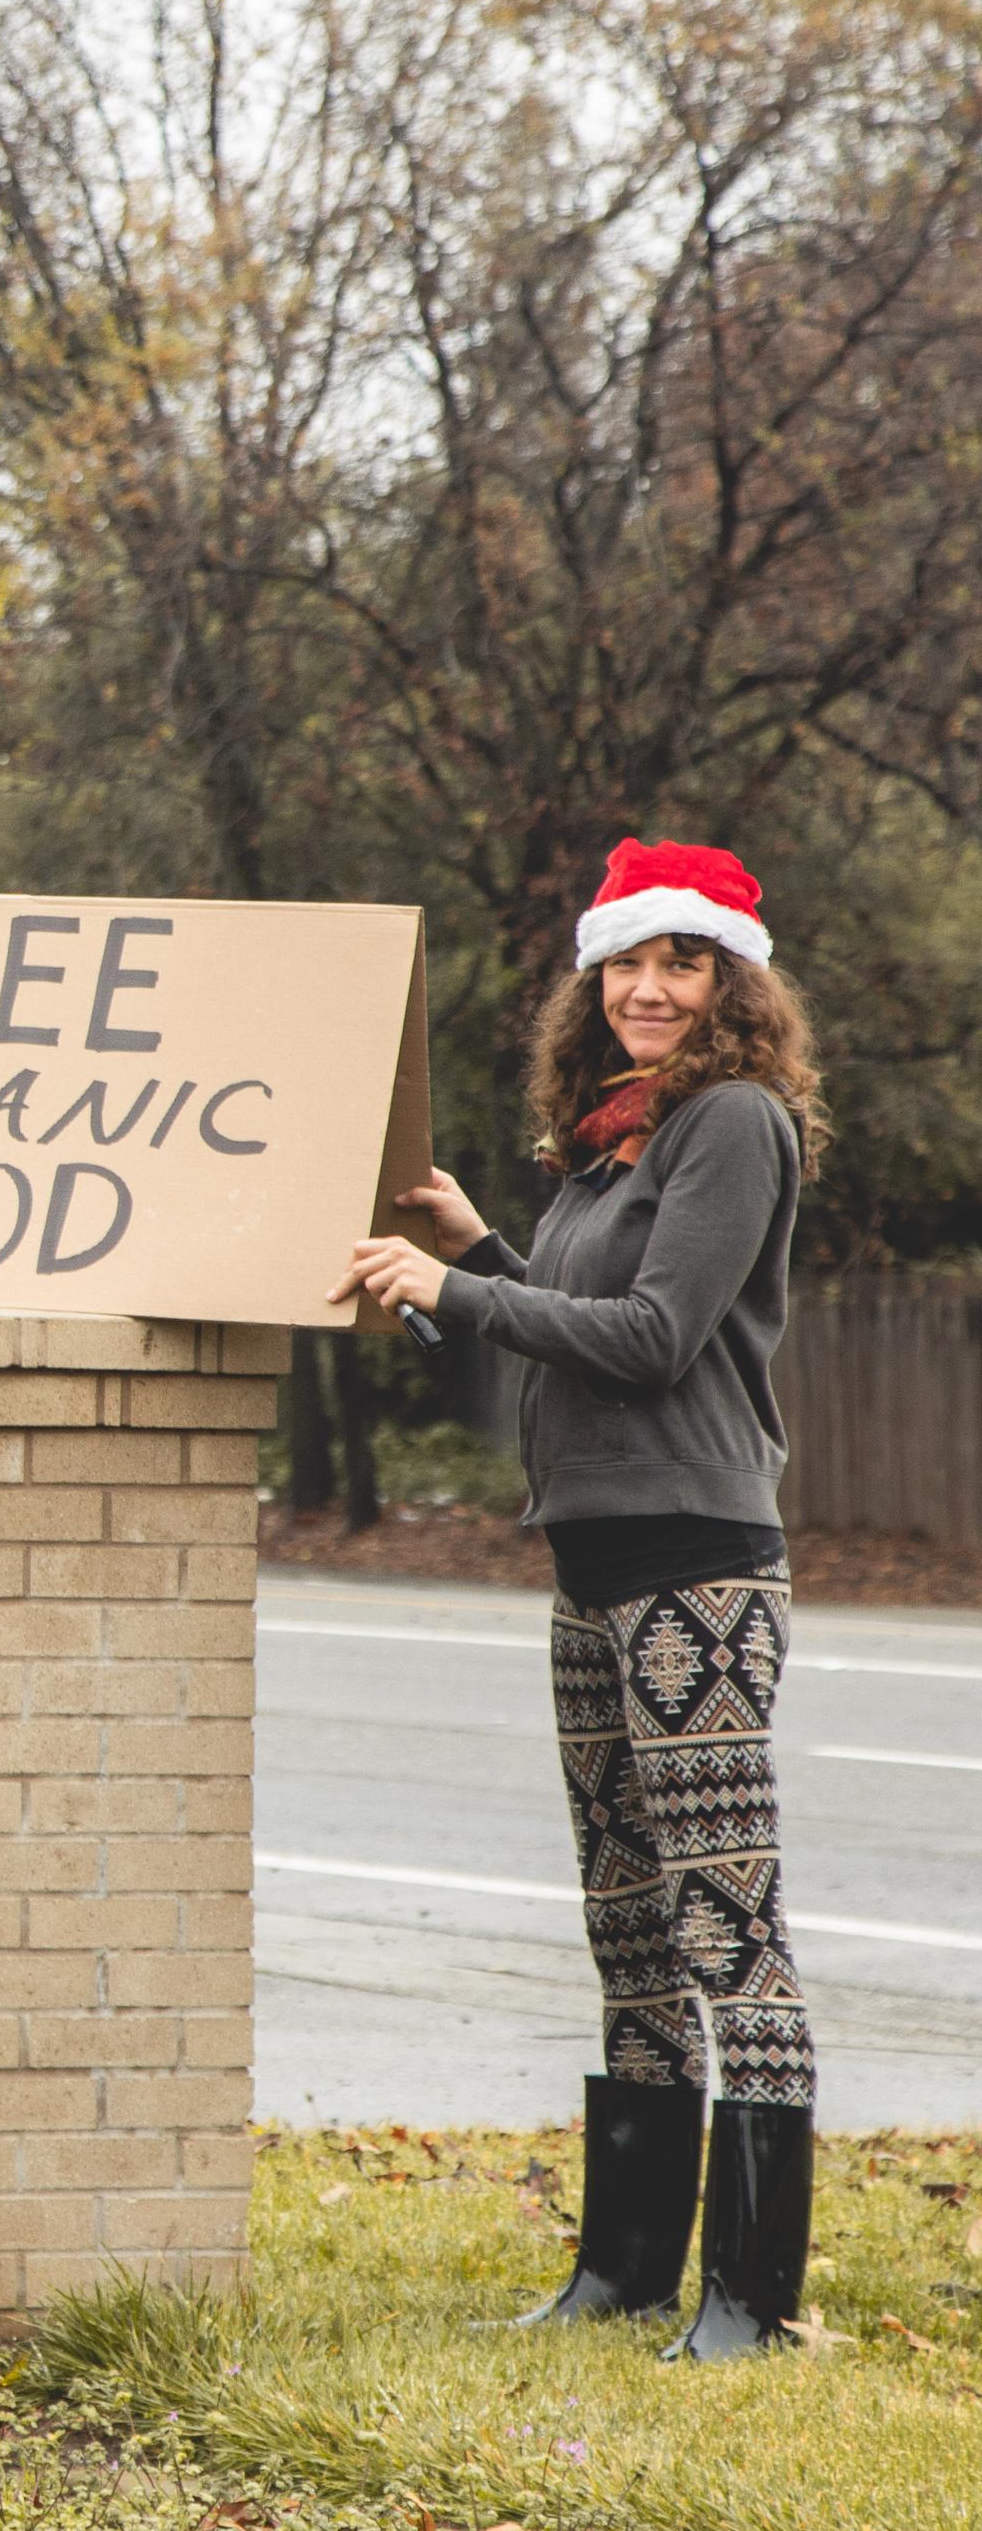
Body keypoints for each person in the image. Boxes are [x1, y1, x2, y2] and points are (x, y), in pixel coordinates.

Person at [338, 838, 829, 2364]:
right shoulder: (617, 1144)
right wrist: (476, 1242)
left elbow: (655, 1335)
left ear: (731, 981)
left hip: (699, 1569)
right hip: (595, 1568)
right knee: (626, 1930)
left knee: (723, 1929)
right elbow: (566, 1327)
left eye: (683, 963)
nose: (648, 989)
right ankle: (620, 2274)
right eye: (627, 963)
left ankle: (751, 2300)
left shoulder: (735, 1123)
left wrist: (457, 1290)